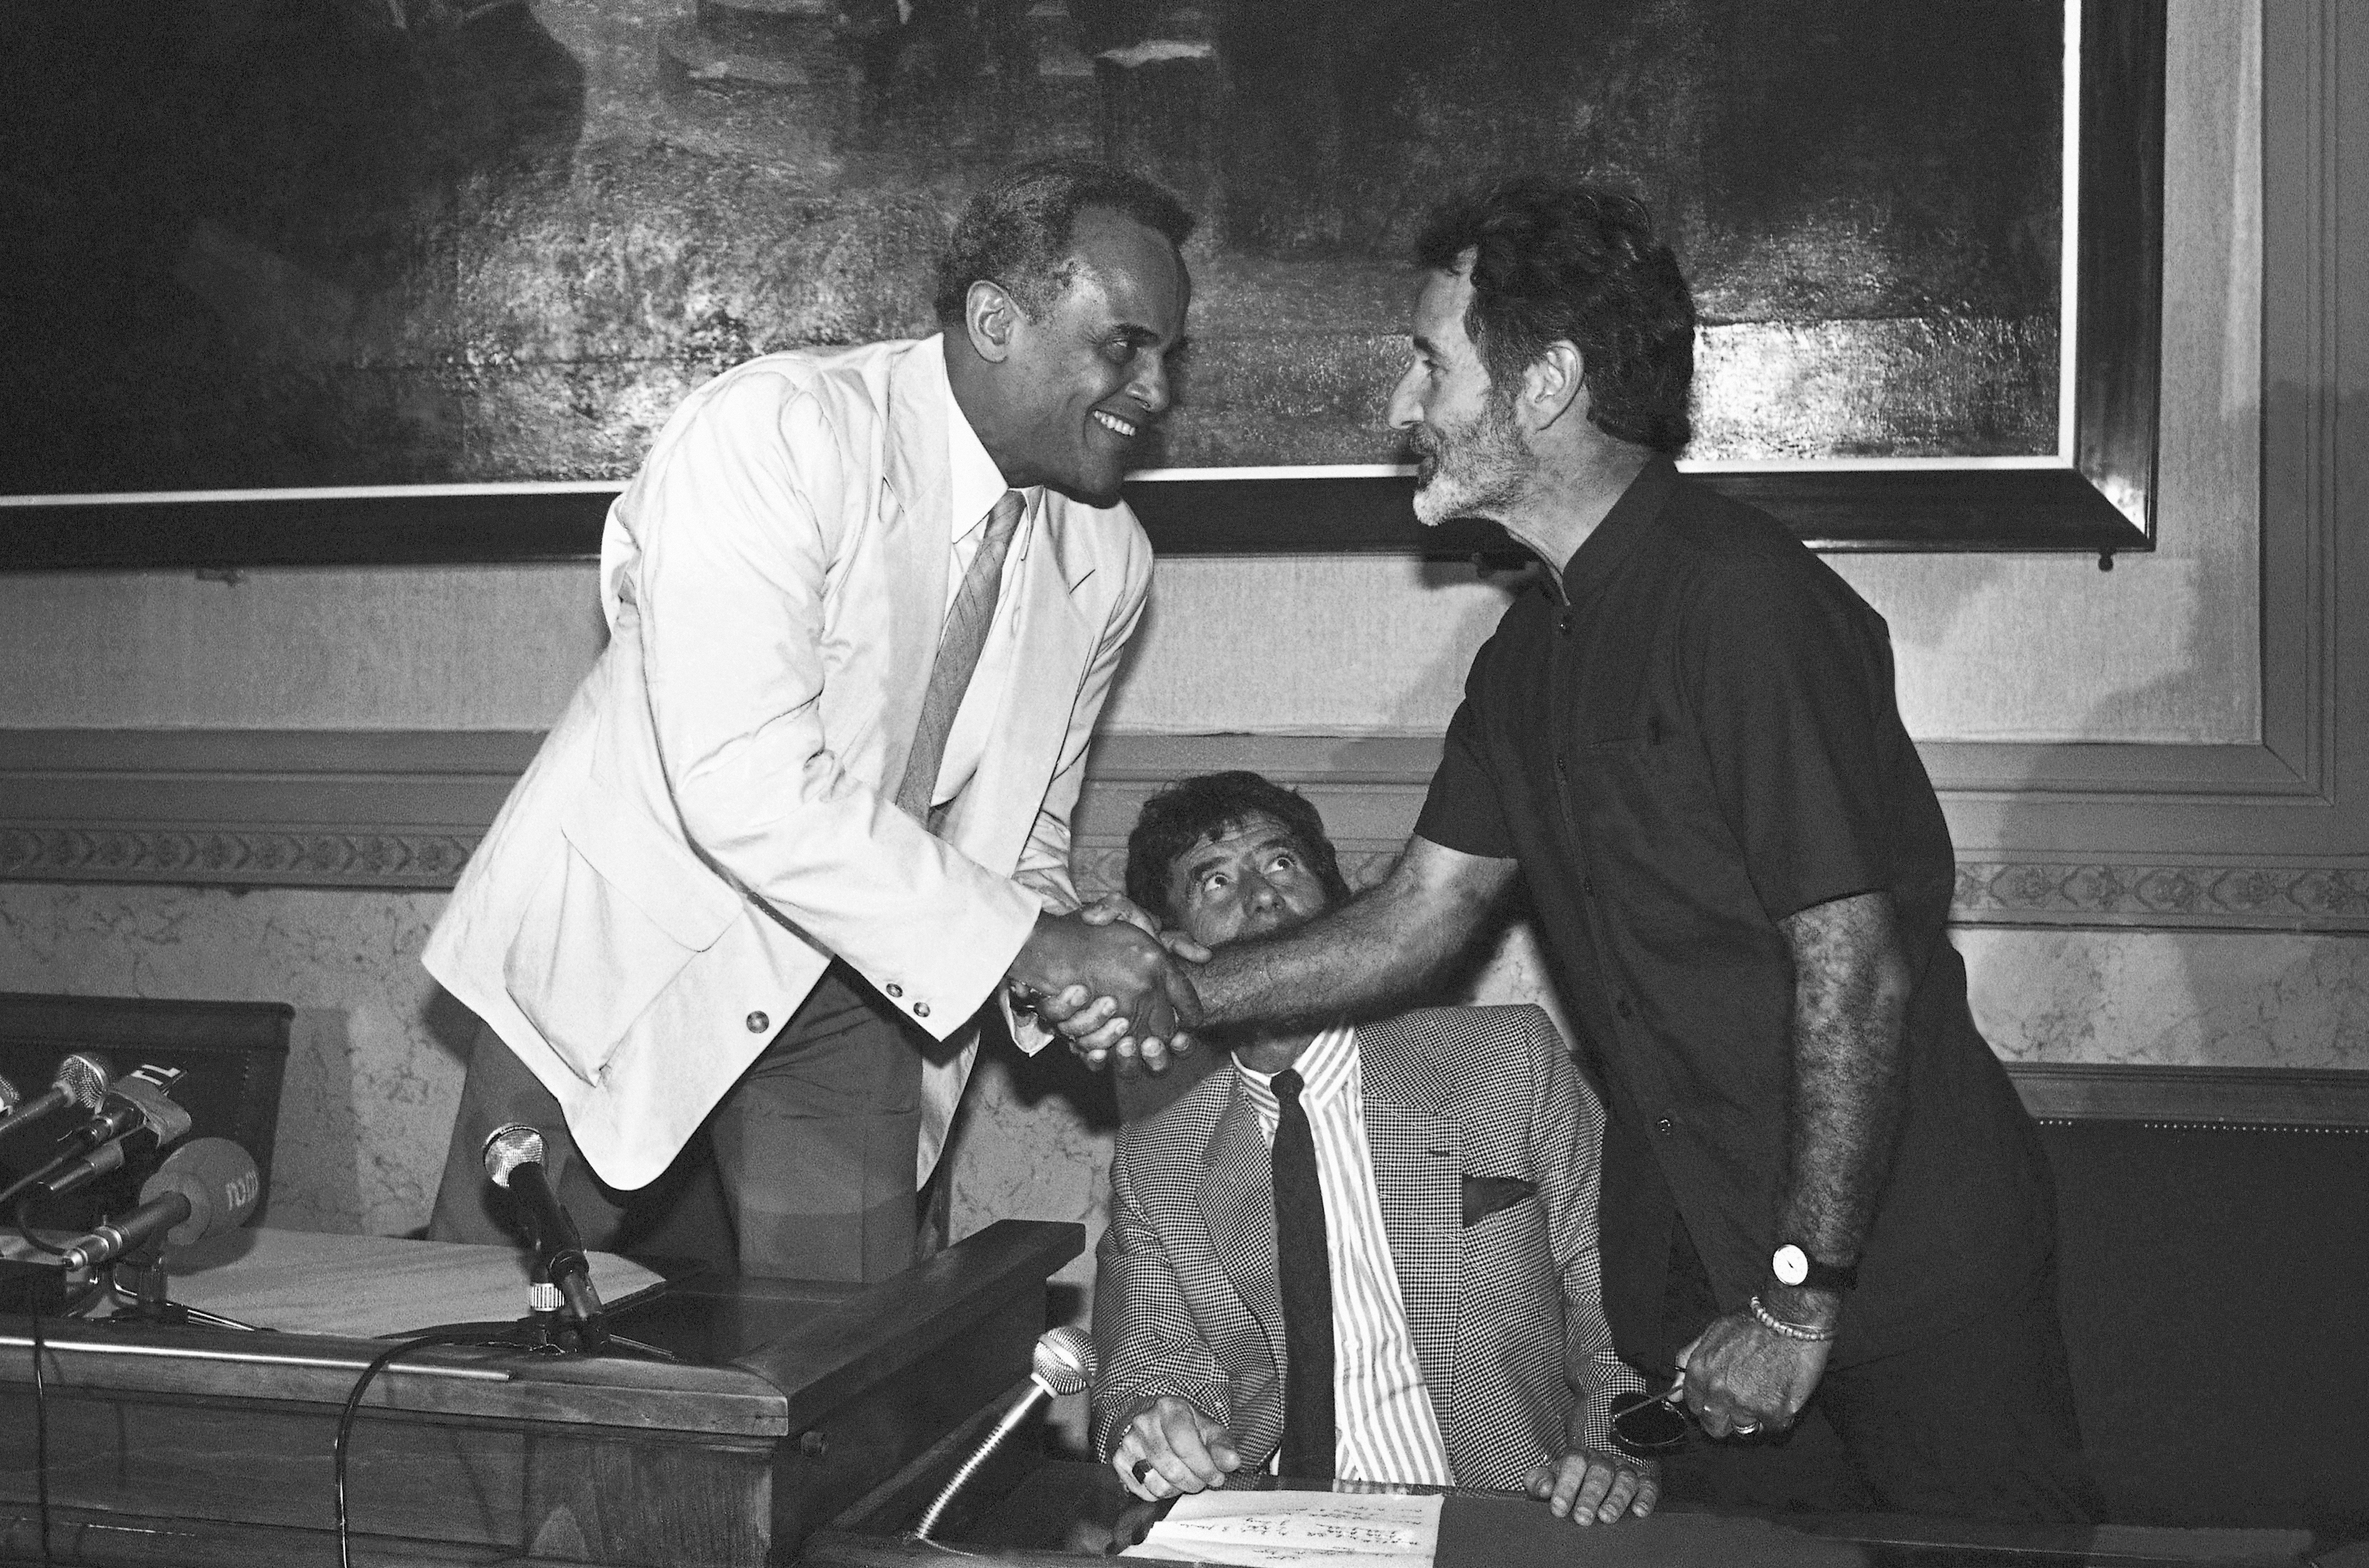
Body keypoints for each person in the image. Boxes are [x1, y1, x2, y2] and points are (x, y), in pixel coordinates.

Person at [1056, 180, 2100, 1522]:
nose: (1400, 409)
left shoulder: (1744, 603)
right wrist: (1174, 991)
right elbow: (1418, 917)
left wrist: (1793, 1300)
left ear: (1542, 382)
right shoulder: (1520, 660)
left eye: (1429, 362)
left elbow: (1856, 972)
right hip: (1704, 1278)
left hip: (1897, 1276)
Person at [423, 158, 1201, 1283]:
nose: (1155, 390)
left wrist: (1063, 977)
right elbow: (744, 782)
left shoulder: (1106, 556)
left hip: (866, 991)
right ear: (994, 317)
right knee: (490, 1347)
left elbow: (1016, 838)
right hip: (632, 951)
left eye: (1169, 354)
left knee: (837, 1383)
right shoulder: (776, 430)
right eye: (1123, 344)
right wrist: (1040, 944)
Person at [1092, 772, 1658, 1527]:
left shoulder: (1505, 1062)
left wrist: (1613, 1449)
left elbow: (1615, 1292)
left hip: (1503, 1511)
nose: (1260, 896)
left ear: (1341, 906)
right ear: (1173, 950)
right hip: (1269, 1525)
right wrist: (1156, 1425)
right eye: (1215, 881)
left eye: (1282, 864)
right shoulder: (1156, 1156)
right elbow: (1154, 1364)